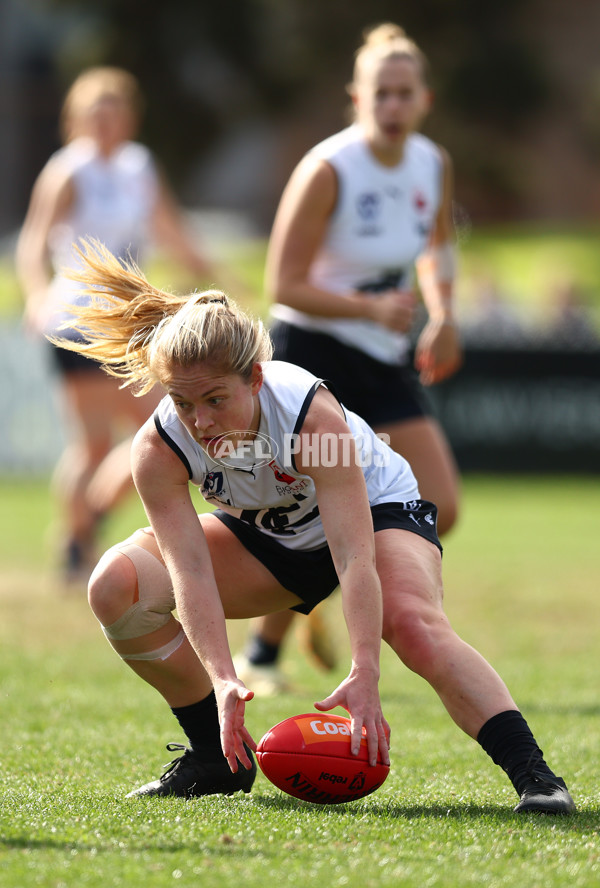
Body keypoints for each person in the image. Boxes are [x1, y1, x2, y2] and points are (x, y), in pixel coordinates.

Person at [51, 239, 575, 815]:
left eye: (215, 399)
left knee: (412, 624)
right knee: (115, 588)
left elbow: (353, 557)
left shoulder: (310, 419)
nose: (200, 421)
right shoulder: (158, 447)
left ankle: (536, 777)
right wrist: (222, 679)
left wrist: (365, 673)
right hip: (273, 538)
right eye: (182, 401)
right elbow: (190, 568)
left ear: (254, 378)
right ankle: (214, 760)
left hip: (374, 516)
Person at [236, 23, 462, 693]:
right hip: (314, 358)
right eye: (380, 94)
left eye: (405, 94)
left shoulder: (432, 163)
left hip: (382, 356)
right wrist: (368, 309)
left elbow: (439, 248)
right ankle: (264, 654)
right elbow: (283, 286)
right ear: (357, 98)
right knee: (313, 504)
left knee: (440, 503)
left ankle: (323, 589)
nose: (393, 107)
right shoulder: (329, 168)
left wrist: (444, 312)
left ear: (424, 98)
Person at [15, 66, 215, 582]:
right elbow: (34, 242)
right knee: (96, 442)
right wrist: (37, 295)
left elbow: (169, 228)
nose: (104, 119)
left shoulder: (138, 166)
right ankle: (77, 543)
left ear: (130, 116)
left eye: (114, 108)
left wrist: (211, 275)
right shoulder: (68, 171)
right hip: (80, 319)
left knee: (160, 428)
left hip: (130, 321)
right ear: (76, 118)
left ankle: (87, 524)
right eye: (94, 109)